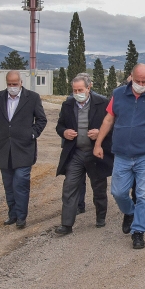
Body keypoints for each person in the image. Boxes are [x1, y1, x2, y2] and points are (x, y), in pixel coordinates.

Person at [94, 64, 145, 249]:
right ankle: (129, 212)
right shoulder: (118, 94)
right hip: (122, 155)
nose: (141, 84)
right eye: (138, 81)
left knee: (144, 195)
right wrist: (98, 143)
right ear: (131, 77)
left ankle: (138, 232)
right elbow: (109, 119)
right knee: (118, 192)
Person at [54, 73, 114, 235]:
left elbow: (114, 126)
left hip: (96, 153)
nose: (77, 93)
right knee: (69, 187)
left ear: (89, 88)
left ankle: (100, 216)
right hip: (75, 154)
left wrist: (101, 132)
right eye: (74, 90)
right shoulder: (67, 105)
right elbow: (59, 126)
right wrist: (64, 132)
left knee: (99, 187)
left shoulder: (102, 103)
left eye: (80, 89)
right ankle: (66, 224)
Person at [0, 70, 47, 229]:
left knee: (20, 183)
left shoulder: (32, 98)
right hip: (4, 149)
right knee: (8, 185)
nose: (12, 87)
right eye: (9, 84)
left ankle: (21, 217)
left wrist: (32, 134)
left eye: (15, 84)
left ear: (21, 82)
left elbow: (41, 119)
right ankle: (12, 214)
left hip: (24, 149)